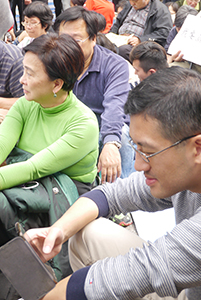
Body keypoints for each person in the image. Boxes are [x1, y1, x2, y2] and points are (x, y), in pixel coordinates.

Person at [25, 66, 201, 300]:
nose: (138, 165)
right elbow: (109, 195)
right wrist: (57, 230)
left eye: (148, 152)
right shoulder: (184, 172)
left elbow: (141, 270)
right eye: (136, 148)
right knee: (87, 229)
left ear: (197, 148)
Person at [0, 32, 99, 195]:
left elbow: (33, 168)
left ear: (57, 85)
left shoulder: (83, 124)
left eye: (29, 74)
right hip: (29, 185)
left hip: (62, 195)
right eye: (24, 71)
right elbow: (2, 144)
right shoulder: (25, 104)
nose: (21, 80)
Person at [53, 7, 134, 182]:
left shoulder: (115, 65)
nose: (67, 47)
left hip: (102, 125)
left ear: (93, 39)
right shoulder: (53, 60)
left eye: (76, 40)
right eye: (62, 40)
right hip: (64, 123)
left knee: (122, 139)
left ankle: (121, 194)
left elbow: (115, 106)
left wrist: (111, 143)